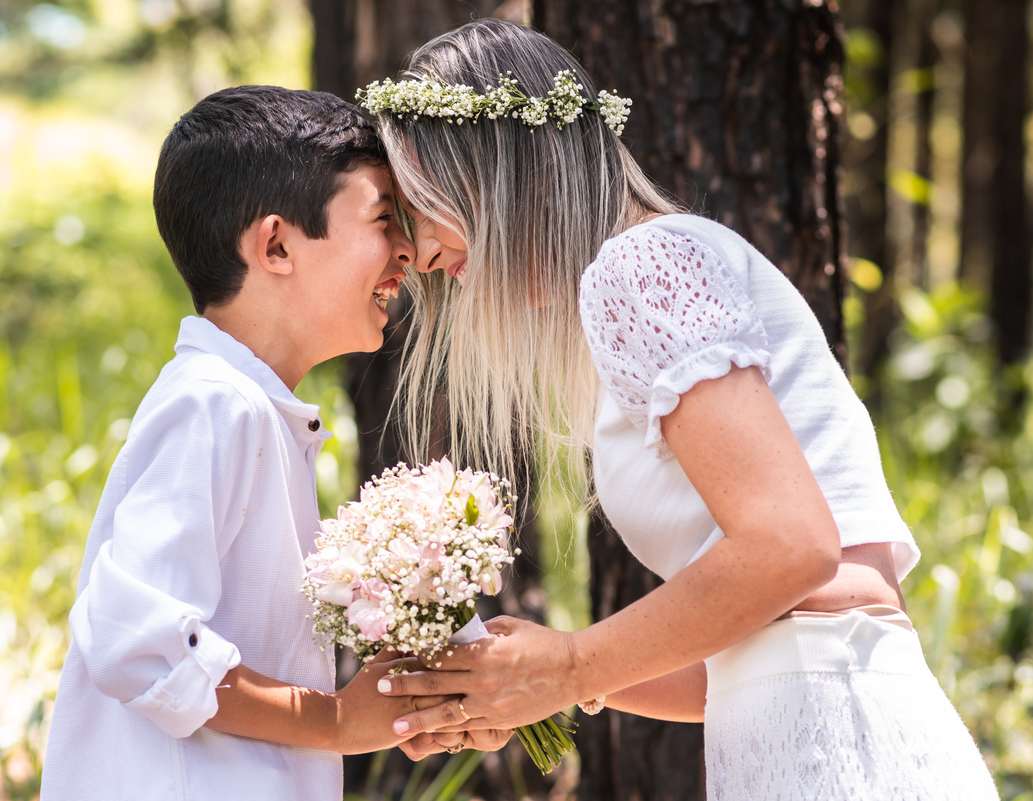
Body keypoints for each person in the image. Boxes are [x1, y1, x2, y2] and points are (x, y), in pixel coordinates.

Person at [362, 19, 1000, 799]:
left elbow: (792, 547)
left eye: (423, 206)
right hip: (798, 720)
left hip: (834, 733)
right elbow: (741, 652)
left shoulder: (642, 264)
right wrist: (543, 679)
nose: (422, 254)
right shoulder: (646, 277)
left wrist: (569, 664)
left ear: (495, 169)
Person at [40, 85, 445, 800]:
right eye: (386, 220)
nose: (408, 251)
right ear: (277, 244)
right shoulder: (213, 404)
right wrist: (339, 721)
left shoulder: (249, 408)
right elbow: (135, 638)